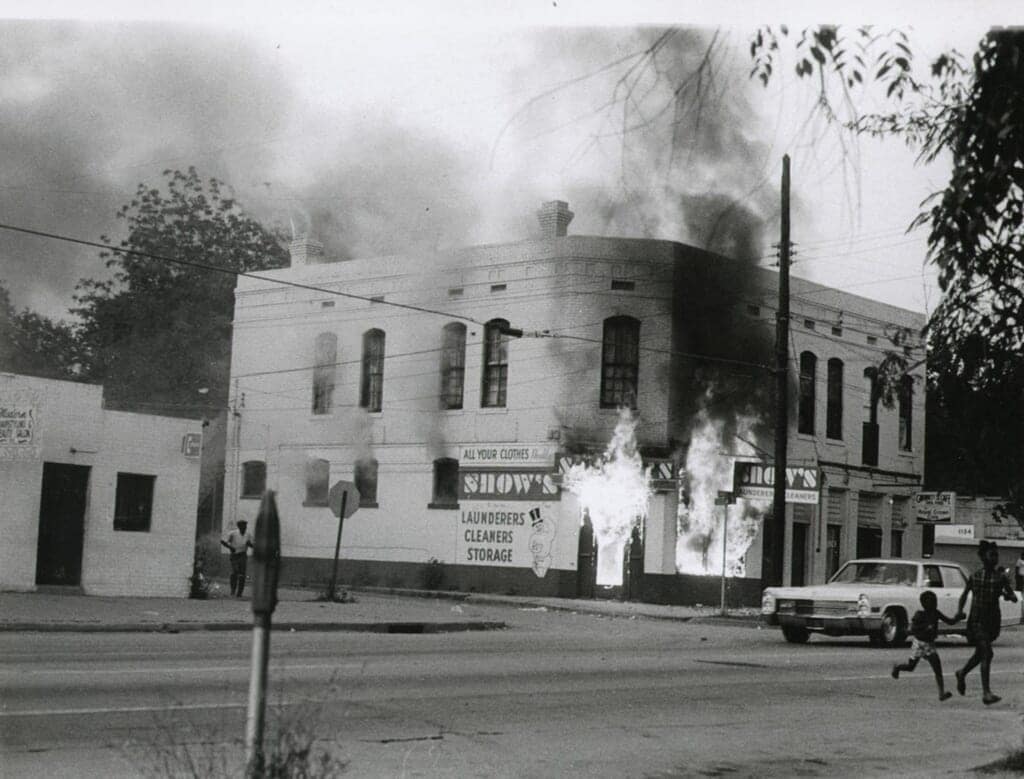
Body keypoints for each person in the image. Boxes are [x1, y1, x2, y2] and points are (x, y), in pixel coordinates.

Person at [954, 540, 1018, 704]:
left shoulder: (1000, 577)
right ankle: (986, 692)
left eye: (996, 555)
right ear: (983, 557)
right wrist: (960, 611)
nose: (995, 558)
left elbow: (1013, 597)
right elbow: (964, 594)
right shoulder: (975, 576)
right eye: (992, 555)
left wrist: (1007, 595)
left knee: (981, 653)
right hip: (977, 620)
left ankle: (962, 672)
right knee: (987, 653)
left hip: (992, 620)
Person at [891, 590, 958, 701]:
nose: (935, 604)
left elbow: (949, 621)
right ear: (924, 604)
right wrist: (925, 628)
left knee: (937, 667)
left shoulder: (936, 613)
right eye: (932, 602)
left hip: (929, 644)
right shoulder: (920, 615)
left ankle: (941, 692)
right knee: (911, 667)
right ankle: (898, 667)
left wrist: (957, 618)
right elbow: (913, 628)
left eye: (935, 601)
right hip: (919, 643)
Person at [221, 520, 254, 597]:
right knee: (235, 572)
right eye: (242, 527)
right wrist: (230, 547)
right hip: (234, 555)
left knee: (242, 574)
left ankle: (240, 592)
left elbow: (252, 545)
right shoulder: (233, 533)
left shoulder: (248, 534)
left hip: (243, 555)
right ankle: (233, 590)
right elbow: (223, 541)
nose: (244, 528)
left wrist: (250, 544)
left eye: (245, 527)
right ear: (239, 527)